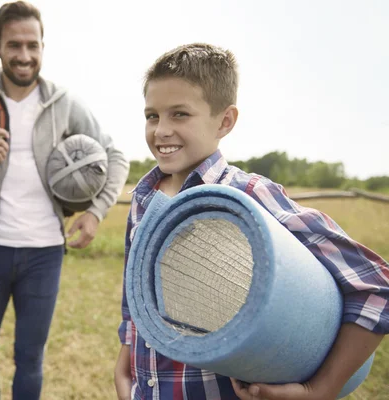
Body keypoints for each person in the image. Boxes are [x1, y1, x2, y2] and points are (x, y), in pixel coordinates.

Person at [114, 43, 389, 400]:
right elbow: (136, 300)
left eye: (179, 114)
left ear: (224, 121)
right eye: (152, 116)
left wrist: (320, 390)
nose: (161, 130)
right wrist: (125, 370)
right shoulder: (143, 198)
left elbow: (375, 285)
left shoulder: (249, 196)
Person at [0, 2, 129, 399]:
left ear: (42, 46)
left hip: (44, 253)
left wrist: (95, 212)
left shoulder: (64, 102)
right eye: (14, 45)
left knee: (30, 359)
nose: (24, 55)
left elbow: (115, 157)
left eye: (32, 45)